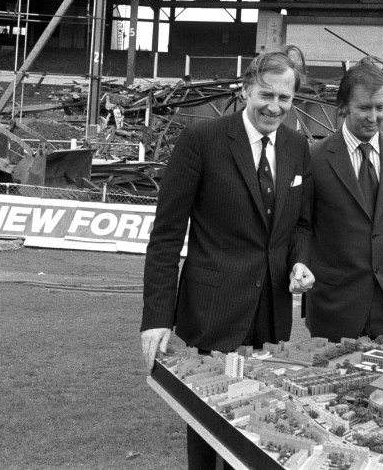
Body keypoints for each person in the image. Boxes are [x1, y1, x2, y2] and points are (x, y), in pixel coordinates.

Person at [140, 50, 315, 469]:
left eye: (285, 98)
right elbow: (165, 236)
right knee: (209, 431)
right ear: (245, 90)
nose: (274, 107)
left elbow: (302, 225)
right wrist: (156, 317)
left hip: (270, 314)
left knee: (260, 428)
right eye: (266, 95)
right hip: (213, 312)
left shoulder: (297, 146)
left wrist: (299, 262)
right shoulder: (202, 140)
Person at [296, 60, 383, 342]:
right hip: (336, 306)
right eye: (364, 108)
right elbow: (305, 225)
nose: (373, 116)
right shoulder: (315, 158)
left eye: (380, 107)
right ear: (343, 107)